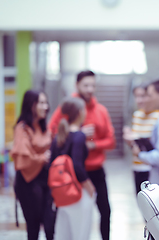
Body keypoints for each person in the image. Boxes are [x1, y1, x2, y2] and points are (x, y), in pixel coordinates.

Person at [48, 70, 115, 240]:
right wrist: (77, 135)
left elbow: (111, 141)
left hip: (96, 170)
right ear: (77, 85)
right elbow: (54, 132)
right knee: (71, 215)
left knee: (105, 211)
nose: (90, 89)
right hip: (72, 173)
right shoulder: (68, 107)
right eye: (86, 85)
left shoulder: (101, 110)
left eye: (93, 85)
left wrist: (91, 143)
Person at [10, 90, 55, 240]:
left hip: (45, 179)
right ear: (31, 105)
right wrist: (42, 157)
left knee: (50, 223)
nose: (45, 106)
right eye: (41, 103)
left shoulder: (43, 127)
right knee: (33, 226)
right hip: (28, 181)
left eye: (46, 102)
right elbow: (23, 158)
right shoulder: (22, 128)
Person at [50, 97, 96, 240]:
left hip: (61, 192)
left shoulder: (59, 136)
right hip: (77, 191)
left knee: (63, 234)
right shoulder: (79, 136)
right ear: (80, 113)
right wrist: (89, 186)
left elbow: (51, 163)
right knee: (81, 233)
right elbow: (77, 165)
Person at [123, 84, 159, 194]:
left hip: (151, 168)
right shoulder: (137, 115)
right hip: (137, 165)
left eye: (143, 96)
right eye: (136, 96)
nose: (139, 100)